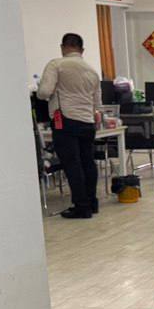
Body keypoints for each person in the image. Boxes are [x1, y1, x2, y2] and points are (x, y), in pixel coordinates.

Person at [37, 32, 101, 219]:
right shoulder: (92, 70)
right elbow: (97, 101)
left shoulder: (56, 65)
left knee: (72, 164)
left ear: (63, 47)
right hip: (87, 121)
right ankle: (92, 202)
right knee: (88, 162)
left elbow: (44, 92)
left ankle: (81, 206)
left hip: (65, 120)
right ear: (82, 50)